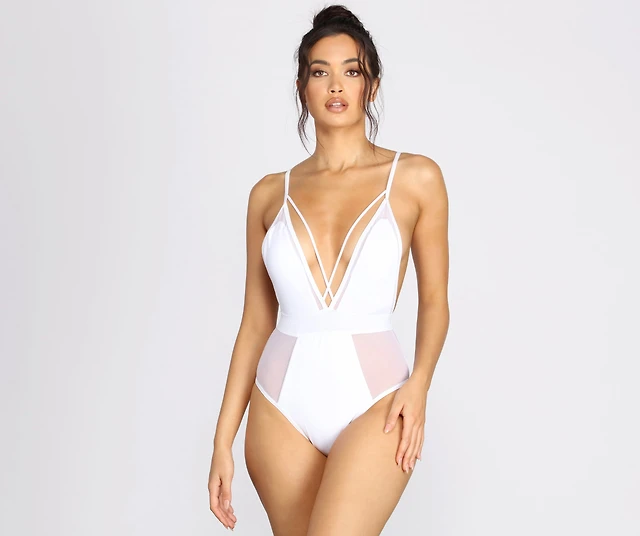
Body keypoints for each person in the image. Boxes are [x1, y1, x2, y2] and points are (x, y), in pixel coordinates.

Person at [208, 5, 449, 535]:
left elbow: (435, 299)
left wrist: (420, 385)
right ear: (302, 87)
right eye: (320, 71)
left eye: (351, 70)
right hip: (278, 405)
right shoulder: (268, 194)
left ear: (372, 85)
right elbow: (255, 321)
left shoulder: (415, 178)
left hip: (379, 399)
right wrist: (223, 439)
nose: (336, 85)